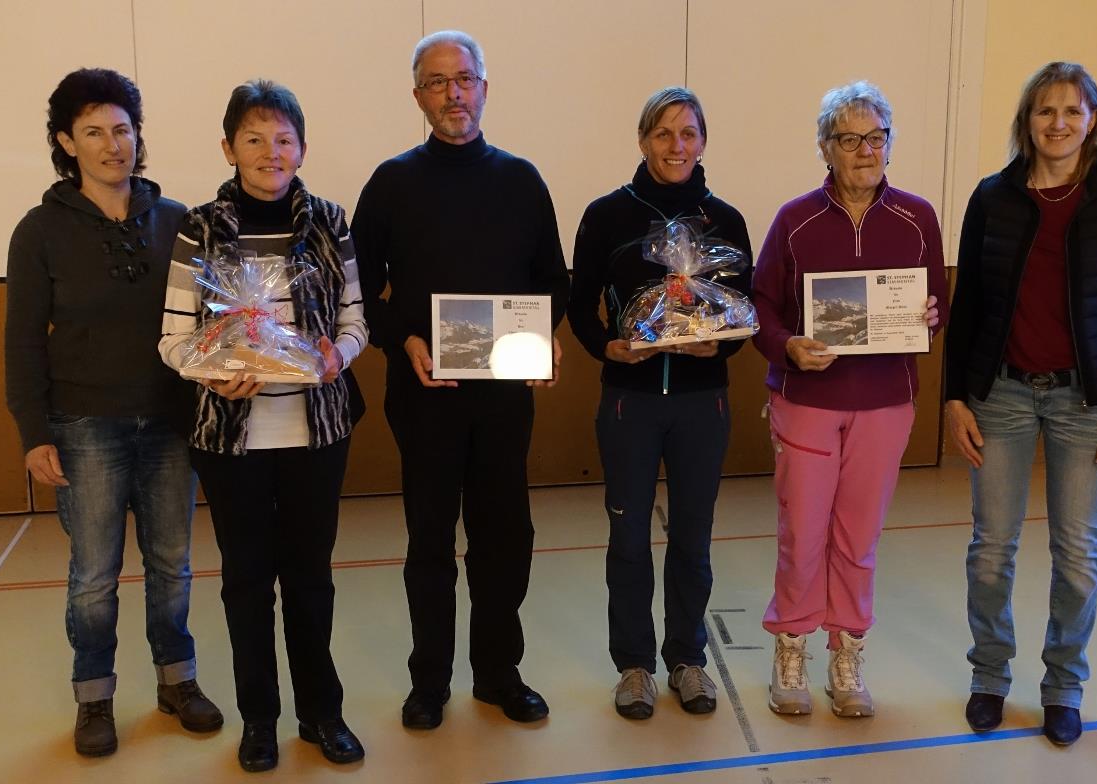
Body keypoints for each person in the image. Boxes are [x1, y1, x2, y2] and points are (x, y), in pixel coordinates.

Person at [352, 29, 570, 730]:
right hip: (424, 396)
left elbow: (552, 281)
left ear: (483, 87)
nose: (454, 93)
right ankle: (430, 680)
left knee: (505, 535)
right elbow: (359, 290)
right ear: (418, 96)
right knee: (430, 541)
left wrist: (544, 340)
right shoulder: (391, 183)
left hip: (505, 398)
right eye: (439, 82)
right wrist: (404, 338)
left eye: (465, 79)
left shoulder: (521, 179)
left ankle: (499, 673)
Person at [5, 67, 222, 757]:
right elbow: (19, 344)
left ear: (138, 135)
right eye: (93, 132)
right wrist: (34, 435)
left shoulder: (178, 221)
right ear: (66, 142)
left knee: (172, 564)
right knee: (93, 576)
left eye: (122, 129)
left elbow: (207, 323)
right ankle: (94, 696)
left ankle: (177, 681)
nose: (111, 145)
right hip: (84, 427)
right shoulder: (39, 230)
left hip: (168, 424)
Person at [158, 80, 368, 771]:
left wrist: (339, 352)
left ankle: (322, 715)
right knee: (247, 581)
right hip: (231, 438)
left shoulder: (332, 222)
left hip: (317, 432)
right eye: (253, 139)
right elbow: (174, 338)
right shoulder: (200, 226)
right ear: (228, 148)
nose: (269, 153)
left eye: (283, 139)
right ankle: (259, 720)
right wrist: (212, 374)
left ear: (302, 148)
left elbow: (355, 320)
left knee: (311, 579)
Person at [945, 61, 1097, 746]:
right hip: (1000, 393)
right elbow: (968, 304)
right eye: (1045, 111)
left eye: (1072, 110)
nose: (1058, 123)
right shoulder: (992, 197)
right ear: (1026, 121)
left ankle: (1064, 686)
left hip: (1086, 401)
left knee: (1076, 555)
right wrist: (954, 397)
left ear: (1092, 119)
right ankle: (989, 677)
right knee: (990, 551)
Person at [752, 81, 947, 719]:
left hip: (886, 401)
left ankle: (846, 650)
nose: (865, 150)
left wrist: (928, 314)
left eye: (876, 137)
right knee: (802, 533)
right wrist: (787, 348)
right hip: (808, 398)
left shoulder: (917, 217)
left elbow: (935, 307)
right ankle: (790, 647)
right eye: (849, 139)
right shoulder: (794, 219)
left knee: (858, 536)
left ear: (888, 144)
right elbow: (762, 307)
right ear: (825, 148)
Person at [567, 87, 751, 720]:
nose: (678, 146)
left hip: (703, 403)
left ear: (703, 141)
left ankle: (687, 659)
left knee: (694, 540)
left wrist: (718, 351)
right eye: (664, 133)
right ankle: (635, 665)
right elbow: (578, 302)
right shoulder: (608, 214)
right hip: (630, 401)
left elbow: (742, 312)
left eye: (689, 134)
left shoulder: (725, 219)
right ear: (643, 140)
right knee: (627, 536)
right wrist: (608, 348)